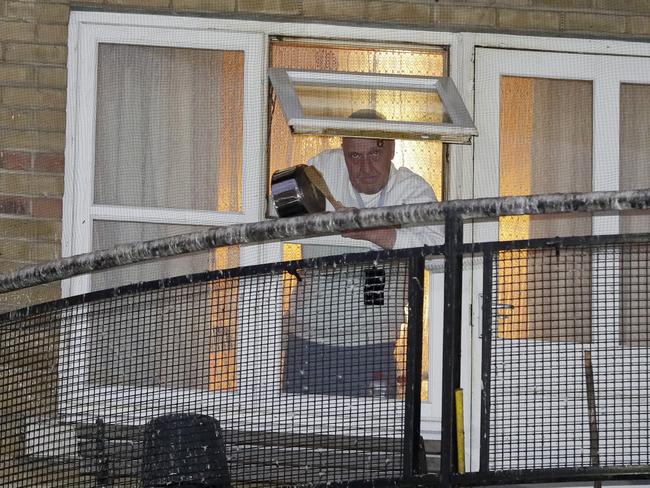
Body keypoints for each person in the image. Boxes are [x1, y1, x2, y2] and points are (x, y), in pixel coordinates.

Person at [283, 109, 444, 398]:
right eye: (355, 157)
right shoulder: (322, 170)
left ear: (392, 150)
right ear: (342, 151)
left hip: (374, 346)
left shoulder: (411, 190)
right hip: (307, 343)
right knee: (303, 439)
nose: (365, 167)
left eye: (375, 154)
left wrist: (370, 230)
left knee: (374, 438)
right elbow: (280, 212)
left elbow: (439, 253)